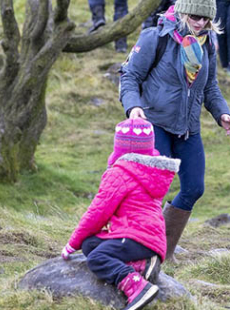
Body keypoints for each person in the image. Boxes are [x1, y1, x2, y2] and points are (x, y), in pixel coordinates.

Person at [120, 0, 230, 261]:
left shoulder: (207, 43)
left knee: (194, 188)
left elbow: (210, 86)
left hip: (188, 129)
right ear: (182, 11)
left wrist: (222, 113)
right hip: (155, 123)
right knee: (153, 190)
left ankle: (164, 251)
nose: (199, 24)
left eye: (205, 19)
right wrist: (133, 107)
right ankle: (141, 247)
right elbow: (130, 76)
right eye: (195, 17)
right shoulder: (154, 38)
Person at [61, 117, 180, 310]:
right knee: (90, 244)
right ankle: (140, 265)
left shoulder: (121, 173)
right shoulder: (148, 171)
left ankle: (136, 286)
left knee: (97, 258)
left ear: (120, 147)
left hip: (138, 236)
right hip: (147, 236)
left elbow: (97, 213)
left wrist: (71, 244)